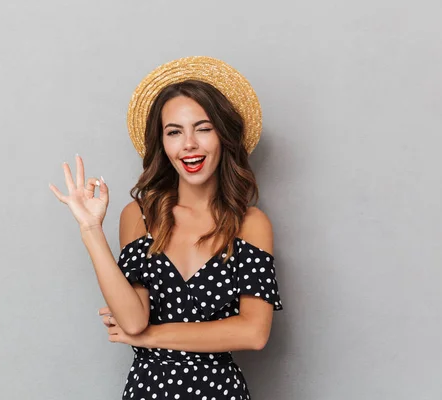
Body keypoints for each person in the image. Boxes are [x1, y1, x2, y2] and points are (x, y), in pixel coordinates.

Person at [49, 56, 283, 399]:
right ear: (163, 145)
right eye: (174, 132)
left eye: (203, 128)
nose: (189, 143)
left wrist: (149, 338)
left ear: (223, 137)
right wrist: (90, 229)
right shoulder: (140, 215)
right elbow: (132, 321)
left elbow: (253, 333)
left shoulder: (250, 224)